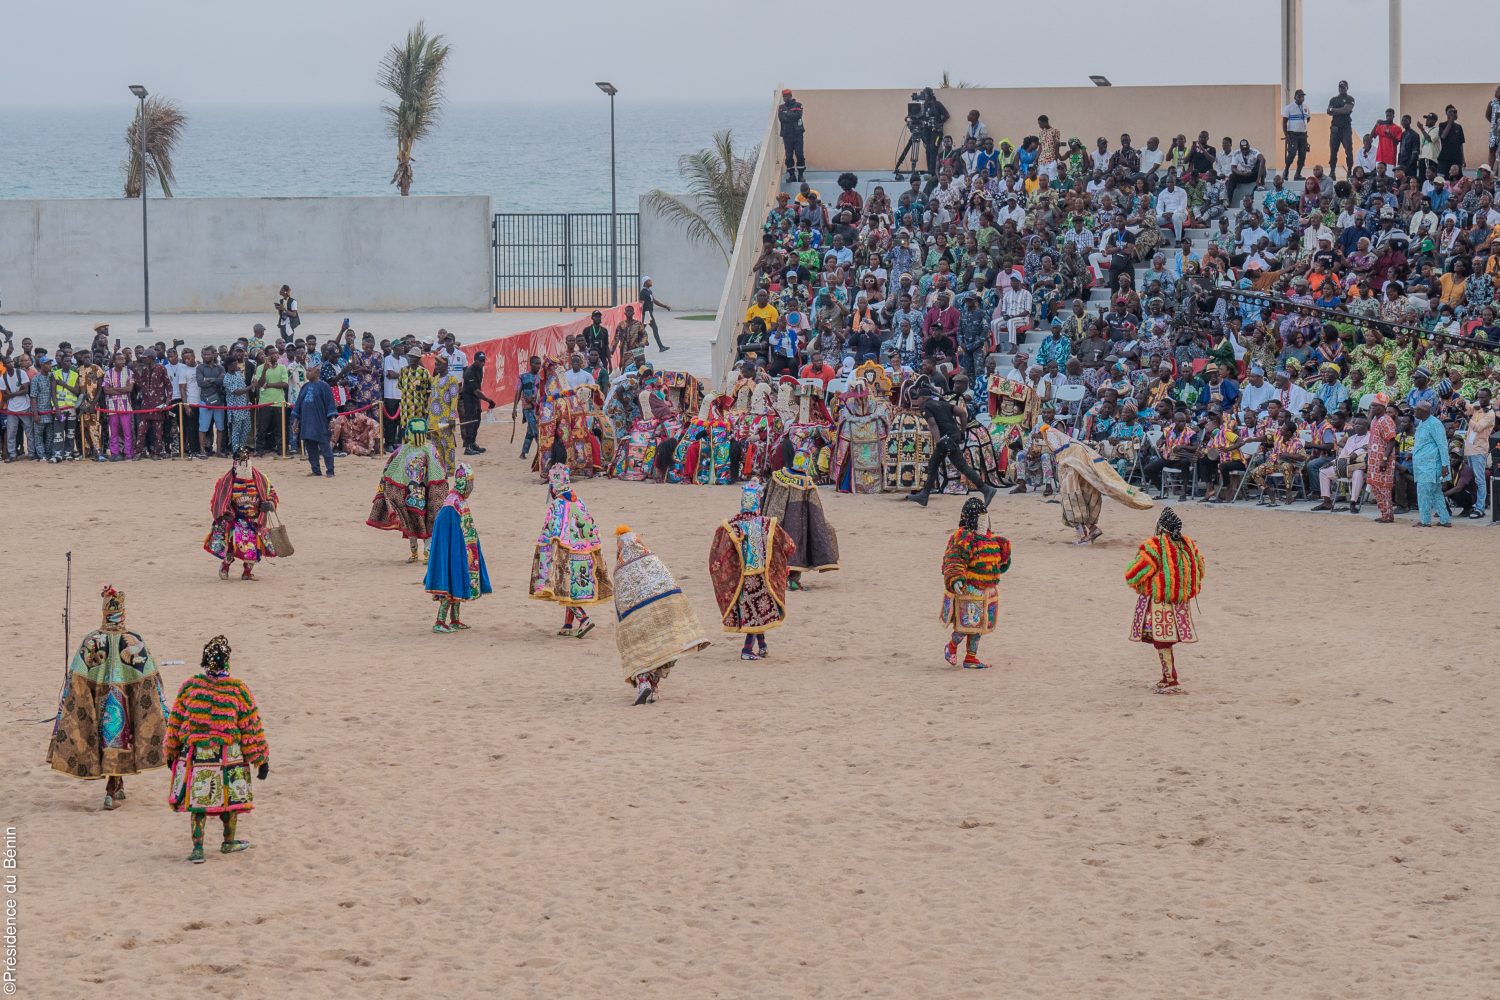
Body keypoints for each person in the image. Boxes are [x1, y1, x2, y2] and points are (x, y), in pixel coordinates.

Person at [47, 585, 169, 811]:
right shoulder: (134, 640)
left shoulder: (92, 641)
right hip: (125, 702)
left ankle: (117, 783)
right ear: (123, 613)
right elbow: (152, 678)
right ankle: (111, 790)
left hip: (99, 702)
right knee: (119, 737)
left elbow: (76, 675)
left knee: (106, 738)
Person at [164, 635, 270, 864]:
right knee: (229, 801)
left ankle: (198, 849)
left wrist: (171, 751)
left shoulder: (190, 687)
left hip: (196, 755)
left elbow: (175, 720)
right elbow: (250, 726)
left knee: (198, 804)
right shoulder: (237, 689)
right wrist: (261, 759)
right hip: (227, 756)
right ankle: (228, 841)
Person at [612, 525, 711, 705]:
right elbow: (670, 584)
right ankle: (655, 688)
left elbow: (619, 601)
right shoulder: (652, 559)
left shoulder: (620, 571)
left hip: (637, 620)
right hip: (664, 613)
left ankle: (643, 684)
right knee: (664, 650)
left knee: (642, 651)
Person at [709, 478, 795, 661]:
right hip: (763, 575)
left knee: (753, 610)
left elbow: (719, 554)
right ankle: (747, 649)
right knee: (757, 612)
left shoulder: (731, 526)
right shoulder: (767, 524)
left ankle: (762, 645)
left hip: (742, 577)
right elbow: (789, 546)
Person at [1125, 507, 1206, 695]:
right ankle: (1168, 677)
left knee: (1162, 641)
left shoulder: (1155, 546)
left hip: (1160, 601)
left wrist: (1145, 586)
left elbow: (1134, 573)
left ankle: (1170, 679)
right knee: (1165, 641)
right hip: (1181, 603)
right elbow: (1200, 569)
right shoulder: (1188, 545)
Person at [529, 464, 613, 638]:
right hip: (584, 552)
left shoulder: (558, 503)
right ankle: (568, 624)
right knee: (572, 589)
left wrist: (545, 551)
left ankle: (583, 619)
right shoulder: (578, 501)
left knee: (562, 586)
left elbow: (551, 531)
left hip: (565, 552)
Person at [1038, 422, 1154, 545]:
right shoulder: (1074, 445)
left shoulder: (1069, 450)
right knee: (1083, 503)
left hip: (1077, 480)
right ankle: (1092, 530)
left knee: (1073, 506)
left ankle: (1084, 537)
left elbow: (1071, 474)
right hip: (1087, 478)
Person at [939, 497, 1012, 670]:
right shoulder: (963, 537)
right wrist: (956, 578)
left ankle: (971, 657)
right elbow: (954, 558)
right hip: (970, 587)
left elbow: (1002, 564)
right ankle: (951, 646)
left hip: (987, 589)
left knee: (980, 625)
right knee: (968, 623)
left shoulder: (992, 539)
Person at [368, 418, 449, 563]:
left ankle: (419, 552)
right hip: (420, 494)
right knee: (423, 520)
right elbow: (441, 471)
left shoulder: (407, 450)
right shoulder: (427, 449)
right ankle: (423, 553)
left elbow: (388, 469)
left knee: (412, 520)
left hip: (413, 494)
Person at [423, 463, 492, 633]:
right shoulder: (451, 504)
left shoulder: (458, 500)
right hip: (454, 551)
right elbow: (448, 532)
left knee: (459, 581)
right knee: (450, 582)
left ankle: (455, 620)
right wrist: (456, 551)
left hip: (462, 550)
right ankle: (440, 621)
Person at [903, 383, 997, 508]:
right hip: (953, 436)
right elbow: (962, 413)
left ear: (923, 398)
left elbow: (932, 424)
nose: (917, 401)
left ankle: (986, 489)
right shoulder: (943, 404)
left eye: (918, 399)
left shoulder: (925, 406)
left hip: (945, 440)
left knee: (957, 466)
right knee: (937, 464)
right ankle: (924, 495)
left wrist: (939, 442)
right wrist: (962, 432)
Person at [762, 453, 840, 592]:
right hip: (797, 523)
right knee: (796, 551)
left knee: (775, 546)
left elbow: (766, 493)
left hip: (776, 517)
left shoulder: (779, 475)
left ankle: (775, 579)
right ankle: (793, 581)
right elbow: (815, 507)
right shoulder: (806, 482)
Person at [204, 448, 280, 581]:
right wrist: (225, 514)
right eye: (240, 461)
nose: (243, 464)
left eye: (246, 460)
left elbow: (271, 493)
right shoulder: (226, 481)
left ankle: (247, 572)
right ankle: (225, 566)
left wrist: (270, 504)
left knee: (253, 548)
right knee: (231, 548)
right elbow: (218, 501)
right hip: (235, 519)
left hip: (254, 519)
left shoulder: (261, 479)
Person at [289, 362, 337, 478]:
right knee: (310, 448)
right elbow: (298, 405)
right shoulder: (305, 387)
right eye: (307, 370)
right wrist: (296, 421)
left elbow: (330, 403)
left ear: (317, 372)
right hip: (307, 422)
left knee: (325, 447)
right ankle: (316, 470)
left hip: (320, 422)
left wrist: (332, 419)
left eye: (310, 371)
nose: (307, 373)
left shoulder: (324, 386)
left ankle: (330, 471)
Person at [1411, 399, 1452, 527]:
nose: (1414, 412)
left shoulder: (1435, 424)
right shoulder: (1422, 423)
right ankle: (1445, 520)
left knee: (1423, 493)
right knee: (1436, 493)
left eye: (1416, 409)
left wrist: (1445, 465)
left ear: (1423, 411)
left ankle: (1425, 520)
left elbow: (1442, 445)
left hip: (1431, 465)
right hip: (1422, 465)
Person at [1366, 394, 1399, 523]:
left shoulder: (1386, 420)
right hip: (1374, 460)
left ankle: (1388, 515)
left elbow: (1391, 441)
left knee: (1384, 488)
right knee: (1376, 487)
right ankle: (1384, 513)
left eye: (1375, 406)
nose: (1372, 408)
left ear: (1382, 407)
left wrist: (1384, 459)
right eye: (1372, 406)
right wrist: (1370, 414)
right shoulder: (1376, 419)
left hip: (1382, 459)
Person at [1461, 389, 1494, 519]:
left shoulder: (1490, 414)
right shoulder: (1477, 407)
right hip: (1469, 448)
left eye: (1483, 398)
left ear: (1489, 397)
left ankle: (1480, 508)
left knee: (1480, 480)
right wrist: (1462, 403)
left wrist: (1465, 417)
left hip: (1479, 450)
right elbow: (1468, 407)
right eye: (1479, 397)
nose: (1480, 400)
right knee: (1473, 479)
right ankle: (1475, 504)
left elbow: (1478, 427)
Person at [427, 356, 461, 475]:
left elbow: (454, 399)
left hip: (445, 418)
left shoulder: (452, 380)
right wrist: (428, 418)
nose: (436, 366)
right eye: (435, 364)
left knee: (448, 444)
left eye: (439, 364)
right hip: (433, 418)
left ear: (446, 365)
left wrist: (452, 418)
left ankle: (450, 469)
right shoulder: (434, 379)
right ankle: (440, 468)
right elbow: (432, 399)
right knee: (436, 445)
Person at [458, 351, 496, 456]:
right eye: (480, 361)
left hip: (475, 399)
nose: (483, 363)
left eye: (484, 361)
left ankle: (473, 442)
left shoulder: (480, 369)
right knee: (470, 422)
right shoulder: (469, 372)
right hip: (469, 399)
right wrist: (489, 400)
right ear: (475, 360)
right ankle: (468, 446)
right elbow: (476, 391)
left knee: (477, 421)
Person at [513, 355, 542, 460]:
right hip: (527, 408)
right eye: (536, 363)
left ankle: (523, 453)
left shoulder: (540, 378)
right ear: (531, 364)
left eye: (539, 363)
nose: (538, 365)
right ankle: (542, 449)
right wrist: (514, 409)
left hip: (537, 407)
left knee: (530, 431)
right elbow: (518, 392)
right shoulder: (523, 376)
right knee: (535, 429)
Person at [1326, 80, 1356, 177]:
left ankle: (1349, 171)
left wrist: (1334, 110)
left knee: (1348, 150)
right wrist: (1341, 110)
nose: (1341, 89)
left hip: (1345, 129)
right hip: (1335, 129)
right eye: (1340, 87)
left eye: (1343, 87)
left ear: (1347, 88)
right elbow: (1328, 111)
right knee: (1333, 151)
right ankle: (1332, 171)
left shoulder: (1350, 98)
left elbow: (1346, 110)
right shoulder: (1333, 99)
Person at [1282, 88, 1310, 179]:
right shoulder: (1289, 107)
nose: (1301, 98)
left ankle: (1297, 174)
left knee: (1302, 155)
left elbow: (1308, 118)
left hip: (1303, 135)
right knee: (1292, 153)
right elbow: (1284, 122)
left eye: (1303, 96)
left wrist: (1302, 126)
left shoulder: (1306, 107)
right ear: (1295, 97)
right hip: (1293, 135)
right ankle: (1286, 170)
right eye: (1299, 96)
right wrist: (1287, 135)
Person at [779, 89, 806, 182]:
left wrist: (787, 114)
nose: (785, 98)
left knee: (799, 155)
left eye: (787, 96)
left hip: (797, 134)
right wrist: (790, 115)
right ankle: (792, 175)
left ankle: (801, 175)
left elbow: (798, 116)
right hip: (787, 135)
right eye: (784, 96)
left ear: (790, 96)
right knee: (789, 156)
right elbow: (782, 118)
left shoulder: (798, 105)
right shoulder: (781, 107)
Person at [638, 277, 671, 352]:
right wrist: (640, 312)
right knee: (653, 329)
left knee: (641, 330)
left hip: (648, 313)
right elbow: (641, 303)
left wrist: (665, 306)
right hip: (647, 313)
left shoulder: (649, 291)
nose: (651, 282)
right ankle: (660, 347)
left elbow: (655, 301)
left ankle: (639, 344)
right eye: (649, 280)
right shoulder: (643, 292)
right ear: (645, 282)